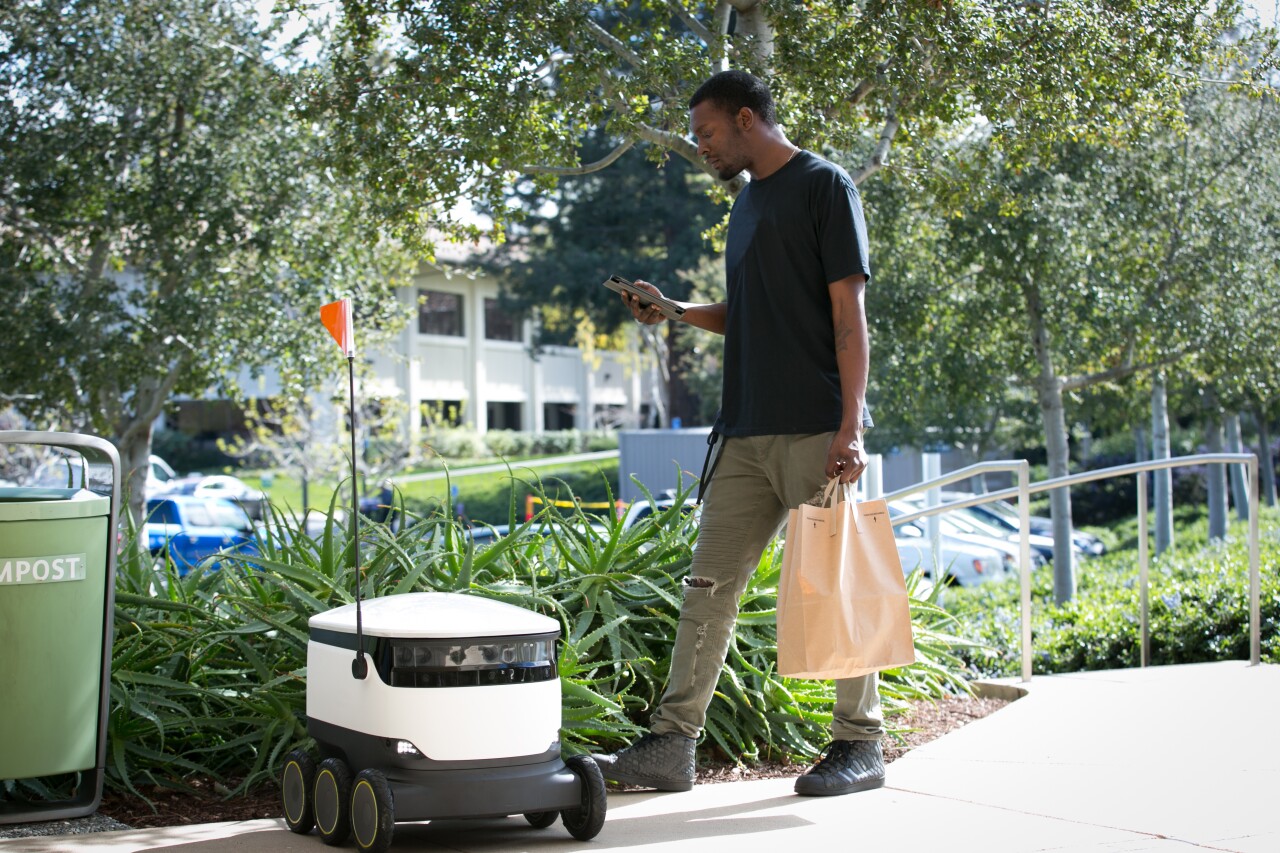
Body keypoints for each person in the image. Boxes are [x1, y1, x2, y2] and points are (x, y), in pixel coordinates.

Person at [593, 69, 881, 798]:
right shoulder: (747, 203)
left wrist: (851, 425)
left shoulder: (825, 186)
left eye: (709, 133)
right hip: (746, 430)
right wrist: (677, 308)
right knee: (707, 586)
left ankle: (860, 743)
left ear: (747, 119)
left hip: (818, 430)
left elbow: (849, 316)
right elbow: (750, 310)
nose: (702, 148)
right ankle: (671, 744)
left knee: (830, 587)